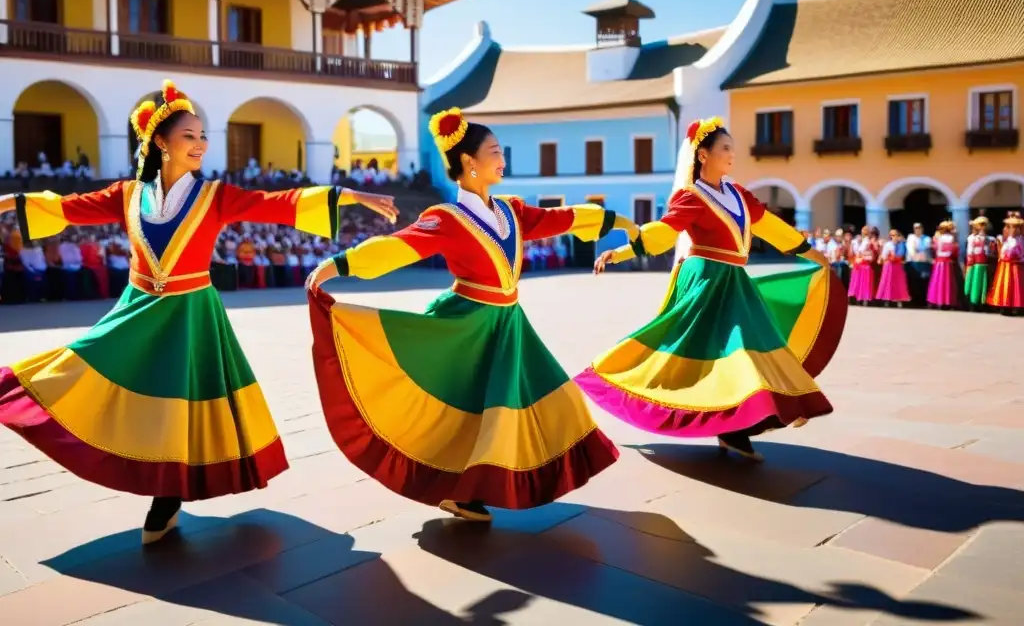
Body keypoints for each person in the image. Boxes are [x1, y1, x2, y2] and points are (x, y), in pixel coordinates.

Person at [0, 79, 397, 546]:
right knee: (88, 370)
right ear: (160, 143)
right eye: (189, 135)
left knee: (180, 404)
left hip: (191, 314)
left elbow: (279, 204)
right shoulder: (128, 194)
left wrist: (352, 195)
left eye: (202, 136)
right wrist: (10, 201)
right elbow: (69, 208)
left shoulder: (215, 196)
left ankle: (166, 497)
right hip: (140, 308)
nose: (200, 144)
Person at [305, 107, 630, 522]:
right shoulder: (447, 218)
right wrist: (334, 267)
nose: (502, 157)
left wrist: (612, 220)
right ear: (468, 162)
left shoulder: (510, 210)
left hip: (509, 327)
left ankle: (471, 489)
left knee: (544, 403)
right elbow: (396, 248)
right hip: (468, 327)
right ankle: (462, 491)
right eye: (494, 150)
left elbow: (560, 219)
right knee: (466, 412)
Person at [577, 117, 846, 462]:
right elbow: (663, 233)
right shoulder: (691, 196)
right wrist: (625, 250)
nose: (732, 154)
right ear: (703, 155)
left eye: (733, 148)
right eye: (725, 148)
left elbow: (773, 228)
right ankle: (622, 382)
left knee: (749, 350)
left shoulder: (739, 195)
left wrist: (813, 254)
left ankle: (737, 426)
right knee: (706, 353)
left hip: (734, 283)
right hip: (704, 280)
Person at [987, 212, 1023, 316]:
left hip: (1016, 266)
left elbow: (1018, 253)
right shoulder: (1008, 240)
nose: (1013, 230)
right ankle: (1005, 306)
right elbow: (1004, 252)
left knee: (1015, 287)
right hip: (1005, 266)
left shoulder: (1020, 240)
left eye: (1016, 228)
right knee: (1005, 286)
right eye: (1011, 227)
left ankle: (1015, 307)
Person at [926, 221, 962, 310]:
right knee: (947, 282)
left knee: (938, 281)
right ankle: (947, 301)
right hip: (947, 262)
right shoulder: (951, 238)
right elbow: (953, 251)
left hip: (940, 262)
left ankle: (937, 301)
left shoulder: (940, 238)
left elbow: (937, 250)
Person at [964, 216, 993, 311]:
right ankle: (973, 303)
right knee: (975, 283)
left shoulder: (988, 238)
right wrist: (970, 263)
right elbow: (970, 251)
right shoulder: (973, 238)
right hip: (975, 264)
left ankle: (982, 302)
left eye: (984, 225)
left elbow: (988, 252)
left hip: (984, 263)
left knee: (984, 283)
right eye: (981, 225)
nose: (983, 227)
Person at [875, 229, 910, 306]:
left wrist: (897, 257)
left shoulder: (901, 245)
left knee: (898, 282)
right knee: (888, 282)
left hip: (897, 265)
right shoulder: (888, 244)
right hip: (889, 266)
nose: (894, 237)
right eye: (892, 235)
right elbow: (884, 256)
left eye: (896, 235)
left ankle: (899, 300)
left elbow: (904, 255)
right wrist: (889, 257)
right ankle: (887, 299)